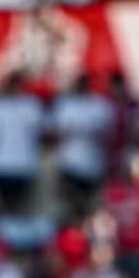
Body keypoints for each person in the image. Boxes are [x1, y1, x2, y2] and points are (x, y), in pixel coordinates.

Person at [51, 72, 115, 220]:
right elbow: (58, 132)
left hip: (92, 164)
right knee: (70, 205)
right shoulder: (66, 105)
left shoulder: (100, 105)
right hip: (70, 163)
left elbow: (106, 134)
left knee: (89, 206)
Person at [0, 71, 44, 215]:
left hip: (24, 165)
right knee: (1, 206)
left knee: (20, 208)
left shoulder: (31, 106)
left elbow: (41, 133)